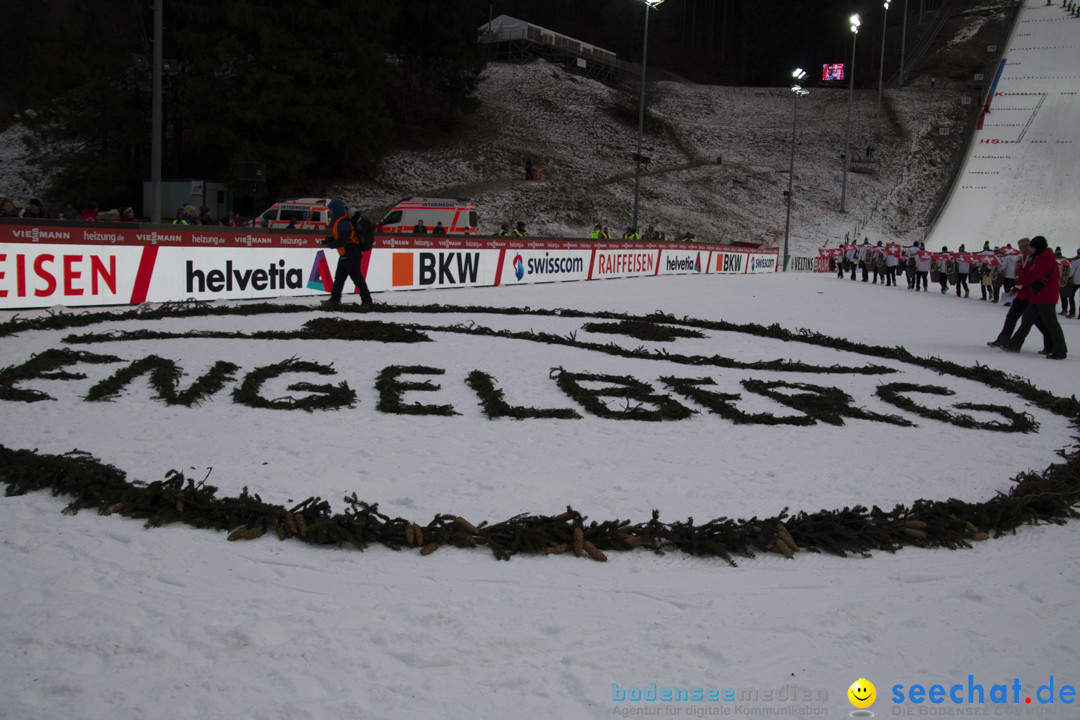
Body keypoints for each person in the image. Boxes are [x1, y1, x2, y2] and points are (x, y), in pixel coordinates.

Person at [1001, 236, 1067, 359]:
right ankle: (1013, 346)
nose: (1029, 249)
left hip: (1046, 296)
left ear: (1037, 247)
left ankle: (1060, 351)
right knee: (1026, 320)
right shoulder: (1040, 257)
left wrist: (1017, 282)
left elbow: (1034, 274)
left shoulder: (1045, 258)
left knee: (1051, 324)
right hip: (1038, 296)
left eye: (1031, 246)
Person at [321, 199, 373, 308]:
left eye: (330, 210)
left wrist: (329, 244)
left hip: (350, 254)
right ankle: (334, 299)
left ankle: (367, 301)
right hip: (347, 254)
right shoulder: (340, 222)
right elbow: (342, 239)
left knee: (356, 278)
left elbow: (342, 242)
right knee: (339, 278)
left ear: (335, 211)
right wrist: (330, 241)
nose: (329, 212)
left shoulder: (342, 223)